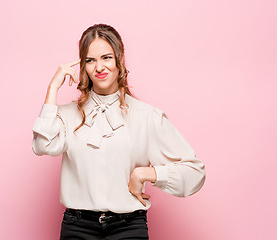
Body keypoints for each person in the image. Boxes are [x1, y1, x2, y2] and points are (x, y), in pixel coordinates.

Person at [31, 23, 206, 240]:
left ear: (119, 60)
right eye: (90, 60)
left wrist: (146, 173)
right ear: (83, 65)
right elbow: (41, 146)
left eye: (106, 57)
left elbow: (194, 172)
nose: (99, 67)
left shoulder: (146, 116)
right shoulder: (66, 115)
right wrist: (53, 89)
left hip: (128, 227)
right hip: (77, 228)